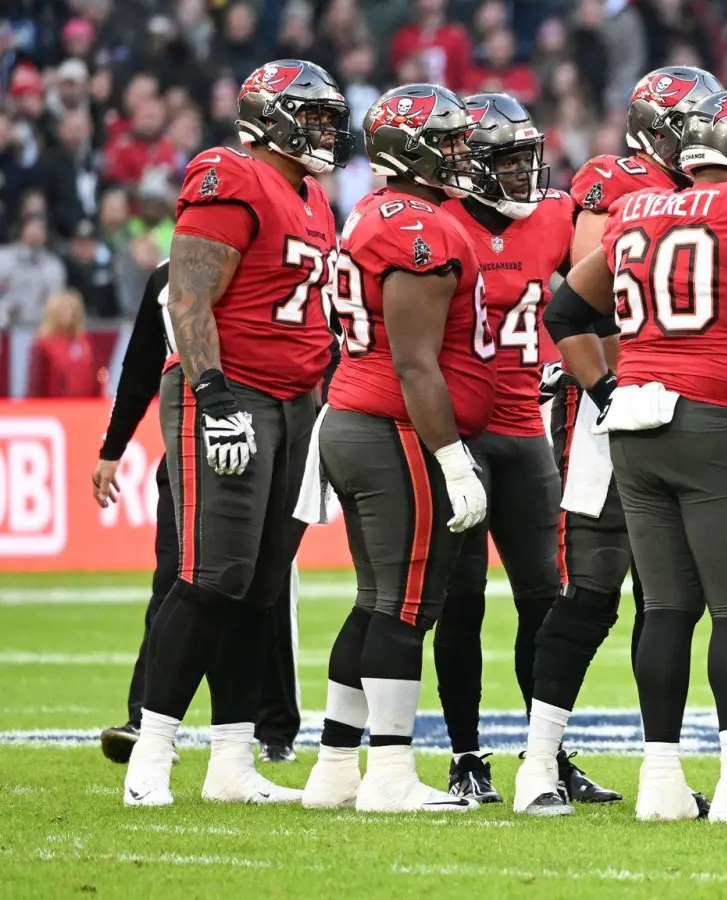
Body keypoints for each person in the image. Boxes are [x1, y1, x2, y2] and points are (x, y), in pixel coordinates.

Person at [541, 89, 727, 823]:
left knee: (664, 608)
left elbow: (565, 311)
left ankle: (661, 783)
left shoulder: (635, 210)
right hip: (717, 417)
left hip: (636, 421)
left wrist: (603, 389)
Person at [122, 60, 350, 809]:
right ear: (268, 117)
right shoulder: (231, 174)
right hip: (229, 393)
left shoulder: (314, 195)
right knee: (210, 575)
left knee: (257, 584)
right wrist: (213, 395)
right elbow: (186, 295)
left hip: (295, 403)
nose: (324, 132)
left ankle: (231, 758)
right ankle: (151, 750)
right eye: (310, 118)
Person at [299, 83, 496, 814]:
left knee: (376, 602)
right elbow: (417, 362)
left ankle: (334, 769)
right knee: (407, 605)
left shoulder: (372, 212)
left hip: (357, 416)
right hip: (395, 427)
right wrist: (451, 458)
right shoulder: (421, 228)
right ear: (407, 149)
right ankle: (388, 774)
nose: (460, 153)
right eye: (447, 141)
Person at [432, 92, 616, 808]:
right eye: (505, 160)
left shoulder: (555, 217)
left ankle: (547, 751)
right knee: (463, 601)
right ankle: (464, 753)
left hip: (525, 427)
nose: (522, 174)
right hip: (459, 431)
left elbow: (598, 295)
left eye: (526, 159)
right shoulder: (437, 224)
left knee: (545, 597)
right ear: (470, 164)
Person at [548, 65, 723, 687]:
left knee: (671, 595)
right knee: (591, 588)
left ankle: (662, 768)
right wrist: (608, 389)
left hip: (688, 405)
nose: (710, 135)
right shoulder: (614, 177)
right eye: (695, 125)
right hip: (612, 397)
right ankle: (547, 755)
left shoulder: (716, 190)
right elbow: (589, 292)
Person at [94, 263, 306, 766]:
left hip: (270, 435)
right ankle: (145, 720)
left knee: (265, 584)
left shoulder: (272, 263)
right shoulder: (166, 277)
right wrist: (112, 447)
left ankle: (274, 725)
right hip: (194, 442)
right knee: (177, 578)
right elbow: (142, 364)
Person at [27, 289, 101, 398]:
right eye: (65, 308)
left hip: (85, 405)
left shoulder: (85, 343)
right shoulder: (43, 344)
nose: (70, 312)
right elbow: (36, 383)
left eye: (74, 309)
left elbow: (97, 376)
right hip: (54, 405)